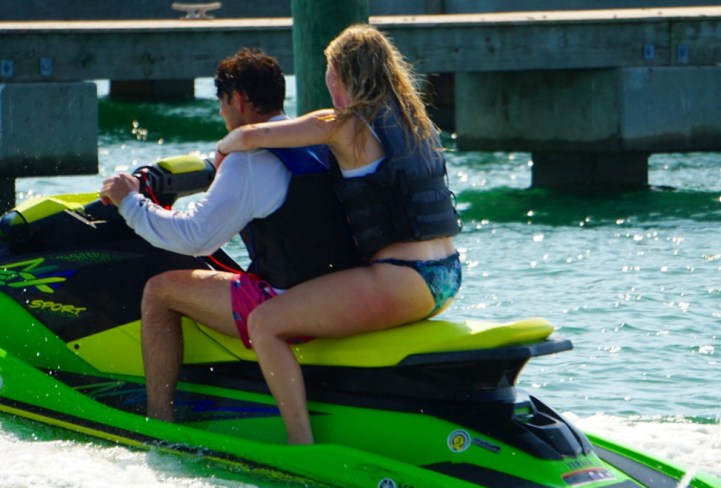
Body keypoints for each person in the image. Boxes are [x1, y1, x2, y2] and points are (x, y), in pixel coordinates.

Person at [215, 24, 462, 445]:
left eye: (329, 72)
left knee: (266, 322)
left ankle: (300, 444)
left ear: (340, 75)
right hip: (448, 276)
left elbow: (252, 135)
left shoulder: (343, 125)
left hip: (403, 279)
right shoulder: (416, 121)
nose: (327, 82)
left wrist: (222, 153)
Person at [99, 47, 360, 421]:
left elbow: (195, 238)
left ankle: (158, 421)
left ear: (237, 99)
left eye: (222, 103)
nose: (222, 114)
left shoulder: (248, 161)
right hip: (337, 291)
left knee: (159, 291)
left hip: (286, 300)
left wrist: (130, 202)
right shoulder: (316, 141)